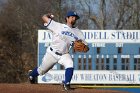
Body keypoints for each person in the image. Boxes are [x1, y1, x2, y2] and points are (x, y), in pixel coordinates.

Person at [28, 11, 89, 91]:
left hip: (64, 54)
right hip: (52, 53)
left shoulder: (78, 32)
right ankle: (31, 75)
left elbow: (85, 46)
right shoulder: (58, 26)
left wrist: (84, 47)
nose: (74, 18)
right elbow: (44, 17)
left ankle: (66, 84)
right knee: (42, 70)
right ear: (67, 18)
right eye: (72, 17)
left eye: (75, 17)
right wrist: (48, 15)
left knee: (70, 63)